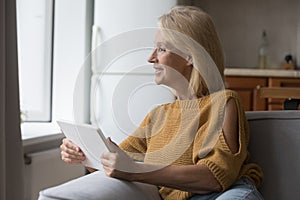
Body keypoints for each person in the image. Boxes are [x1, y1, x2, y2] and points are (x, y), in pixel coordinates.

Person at [39, 6, 263, 200]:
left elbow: (215, 177)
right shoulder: (158, 115)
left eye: (162, 49)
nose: (151, 58)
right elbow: (121, 164)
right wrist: (86, 154)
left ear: (189, 56)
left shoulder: (224, 102)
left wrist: (133, 171)